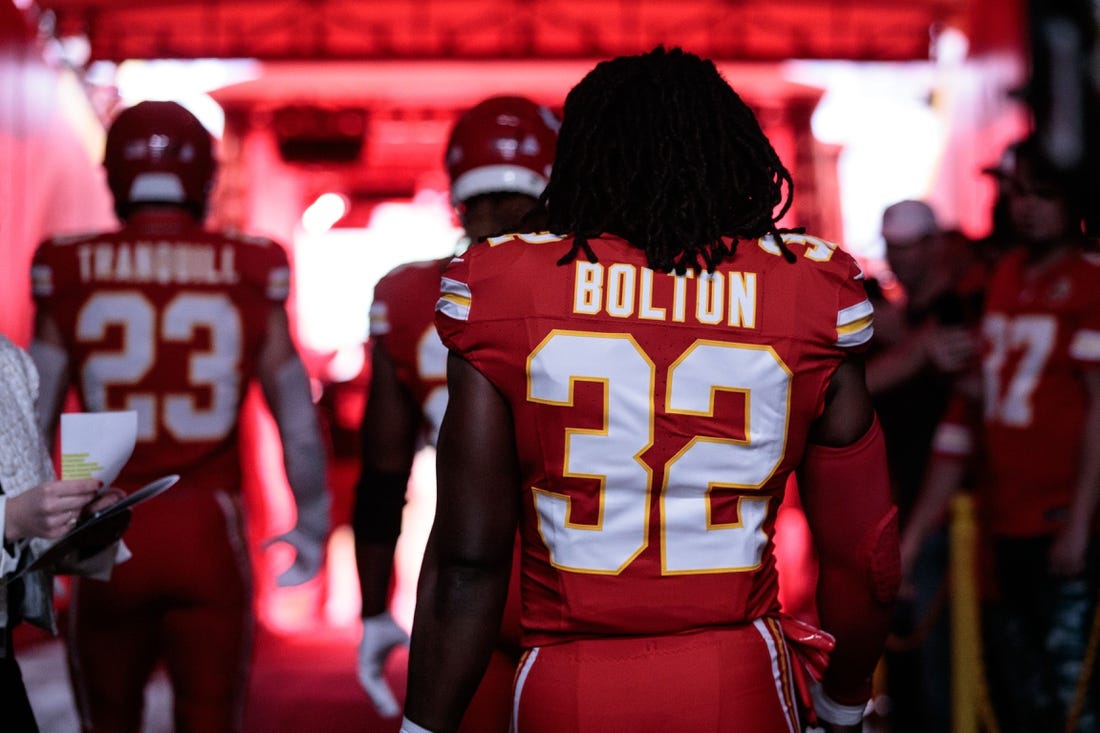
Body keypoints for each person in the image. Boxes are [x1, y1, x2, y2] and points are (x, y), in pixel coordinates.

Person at [402, 46, 900, 733]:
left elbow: (468, 558)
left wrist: (421, 726)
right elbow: (864, 554)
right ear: (734, 150)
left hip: (565, 681)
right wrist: (845, 703)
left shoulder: (505, 284)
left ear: (580, 157)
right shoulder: (808, 292)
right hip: (736, 676)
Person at [29, 100, 331, 733]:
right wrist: (312, 522)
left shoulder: (68, 265)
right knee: (210, 718)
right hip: (207, 526)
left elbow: (32, 415)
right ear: (203, 176)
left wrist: (28, 530)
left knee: (108, 721)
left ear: (114, 174)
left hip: (104, 523)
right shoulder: (249, 265)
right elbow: (295, 415)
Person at [354, 95, 558, 729]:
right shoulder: (600, 285)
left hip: (461, 585)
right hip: (583, 579)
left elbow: (384, 473)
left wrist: (371, 606)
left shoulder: (410, 294)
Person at [901, 134, 1100, 732]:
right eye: (1018, 193)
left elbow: (1099, 410)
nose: (1027, 206)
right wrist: (912, 538)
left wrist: (1083, 521)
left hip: (1063, 522)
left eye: (1043, 194)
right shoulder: (1004, 275)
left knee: (1073, 700)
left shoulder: (1090, 280)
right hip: (1001, 522)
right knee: (1017, 698)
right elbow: (967, 418)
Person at [863, 199, 984, 732]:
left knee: (948, 674)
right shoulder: (896, 322)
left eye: (913, 246)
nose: (903, 258)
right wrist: (912, 350)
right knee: (909, 675)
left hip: (955, 515)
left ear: (936, 245)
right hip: (897, 507)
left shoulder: (968, 308)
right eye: (895, 247)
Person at [0, 333, 129, 733]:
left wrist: (78, 522)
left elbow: (30, 529)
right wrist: (13, 518)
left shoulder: (9, 362)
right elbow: (17, 516)